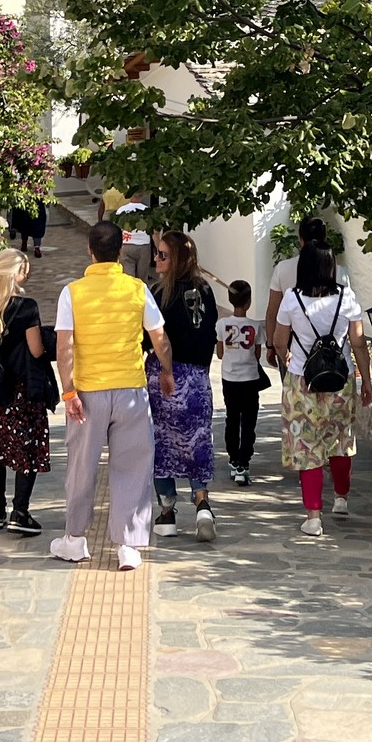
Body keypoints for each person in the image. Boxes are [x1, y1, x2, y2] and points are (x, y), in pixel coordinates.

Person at [53, 218, 177, 571]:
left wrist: (68, 392)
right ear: (120, 251)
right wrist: (166, 371)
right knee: (133, 466)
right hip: (130, 391)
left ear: (89, 250)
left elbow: (65, 346)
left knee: (82, 466)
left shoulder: (72, 292)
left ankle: (75, 540)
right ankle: (128, 545)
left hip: (88, 392)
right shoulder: (138, 289)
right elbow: (159, 337)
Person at [270, 242, 372, 539]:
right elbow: (358, 343)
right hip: (340, 379)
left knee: (307, 447)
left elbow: (279, 340)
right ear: (331, 267)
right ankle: (341, 498)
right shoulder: (347, 297)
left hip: (302, 380)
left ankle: (313, 517)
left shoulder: (292, 299)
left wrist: (287, 358)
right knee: (341, 440)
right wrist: (366, 380)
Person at [0, 248, 50, 535]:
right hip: (19, 390)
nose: (27, 276)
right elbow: (36, 349)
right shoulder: (27, 307)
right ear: (15, 274)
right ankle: (20, 512)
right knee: (25, 449)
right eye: (25, 271)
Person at [148, 231, 222, 542]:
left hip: (165, 377)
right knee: (197, 441)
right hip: (197, 378)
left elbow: (153, 337)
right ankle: (202, 503)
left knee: (161, 443)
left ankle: (167, 511)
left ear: (177, 258)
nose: (156, 259)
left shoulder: (159, 294)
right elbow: (210, 331)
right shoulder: (205, 291)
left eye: (163, 254)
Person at [262, 217, 349, 364]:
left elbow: (272, 312)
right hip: (332, 342)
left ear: (300, 238)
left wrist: (270, 345)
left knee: (294, 376)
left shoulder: (283, 269)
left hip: (293, 340)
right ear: (324, 237)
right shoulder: (340, 272)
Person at [215, 279, 266, 484]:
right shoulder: (256, 326)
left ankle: (233, 458)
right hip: (250, 378)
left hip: (229, 378)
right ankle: (244, 463)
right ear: (249, 301)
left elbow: (220, 354)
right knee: (249, 421)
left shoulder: (221, 324)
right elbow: (257, 354)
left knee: (232, 418)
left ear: (230, 299)